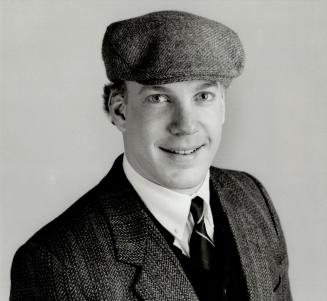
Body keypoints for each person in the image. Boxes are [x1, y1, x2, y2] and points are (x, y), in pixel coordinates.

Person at [10, 10, 292, 301]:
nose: (185, 125)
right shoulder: (58, 264)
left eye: (203, 97)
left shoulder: (251, 197)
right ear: (119, 111)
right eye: (159, 99)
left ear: (222, 106)